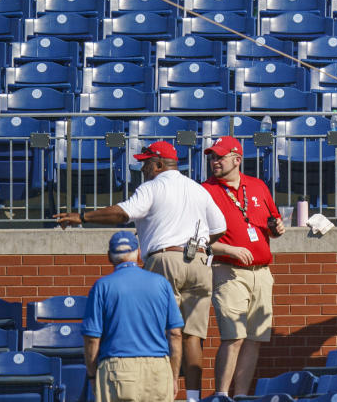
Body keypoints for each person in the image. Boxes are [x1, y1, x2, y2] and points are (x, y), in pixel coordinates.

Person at [56, 141, 227, 402]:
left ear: (159, 164)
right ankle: (193, 399)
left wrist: (83, 217)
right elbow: (219, 227)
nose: (142, 168)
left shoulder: (152, 186)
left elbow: (122, 214)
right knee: (194, 336)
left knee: (162, 328)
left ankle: (164, 390)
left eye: (146, 163)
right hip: (200, 261)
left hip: (165, 259)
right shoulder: (198, 189)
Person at [200, 136, 286, 398]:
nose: (215, 161)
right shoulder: (205, 190)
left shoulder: (258, 186)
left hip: (261, 272)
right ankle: (221, 395)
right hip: (228, 271)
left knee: (255, 339)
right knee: (233, 337)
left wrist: (278, 228)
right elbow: (195, 239)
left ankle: (241, 395)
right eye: (212, 157)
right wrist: (228, 249)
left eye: (220, 156)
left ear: (237, 159)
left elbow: (274, 223)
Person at [82, 232, 183, 402]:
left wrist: (92, 376)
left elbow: (92, 339)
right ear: (138, 252)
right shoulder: (161, 283)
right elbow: (175, 334)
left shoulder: (102, 286)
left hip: (117, 368)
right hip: (158, 368)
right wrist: (173, 376)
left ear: (109, 256)